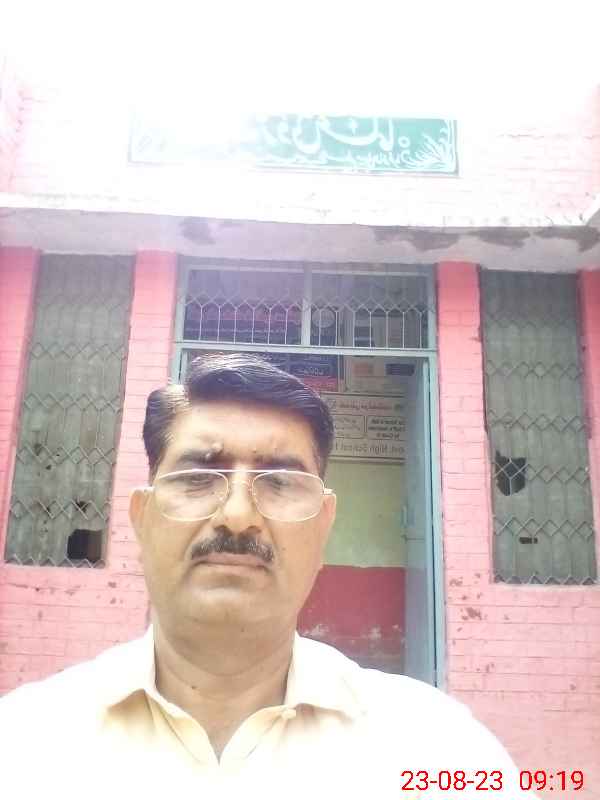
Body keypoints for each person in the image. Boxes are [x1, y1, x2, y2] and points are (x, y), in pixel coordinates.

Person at [0, 353, 534, 799]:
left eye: (279, 482)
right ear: (142, 519)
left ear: (323, 527)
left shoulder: (437, 750)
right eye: (199, 476)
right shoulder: (24, 745)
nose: (238, 515)